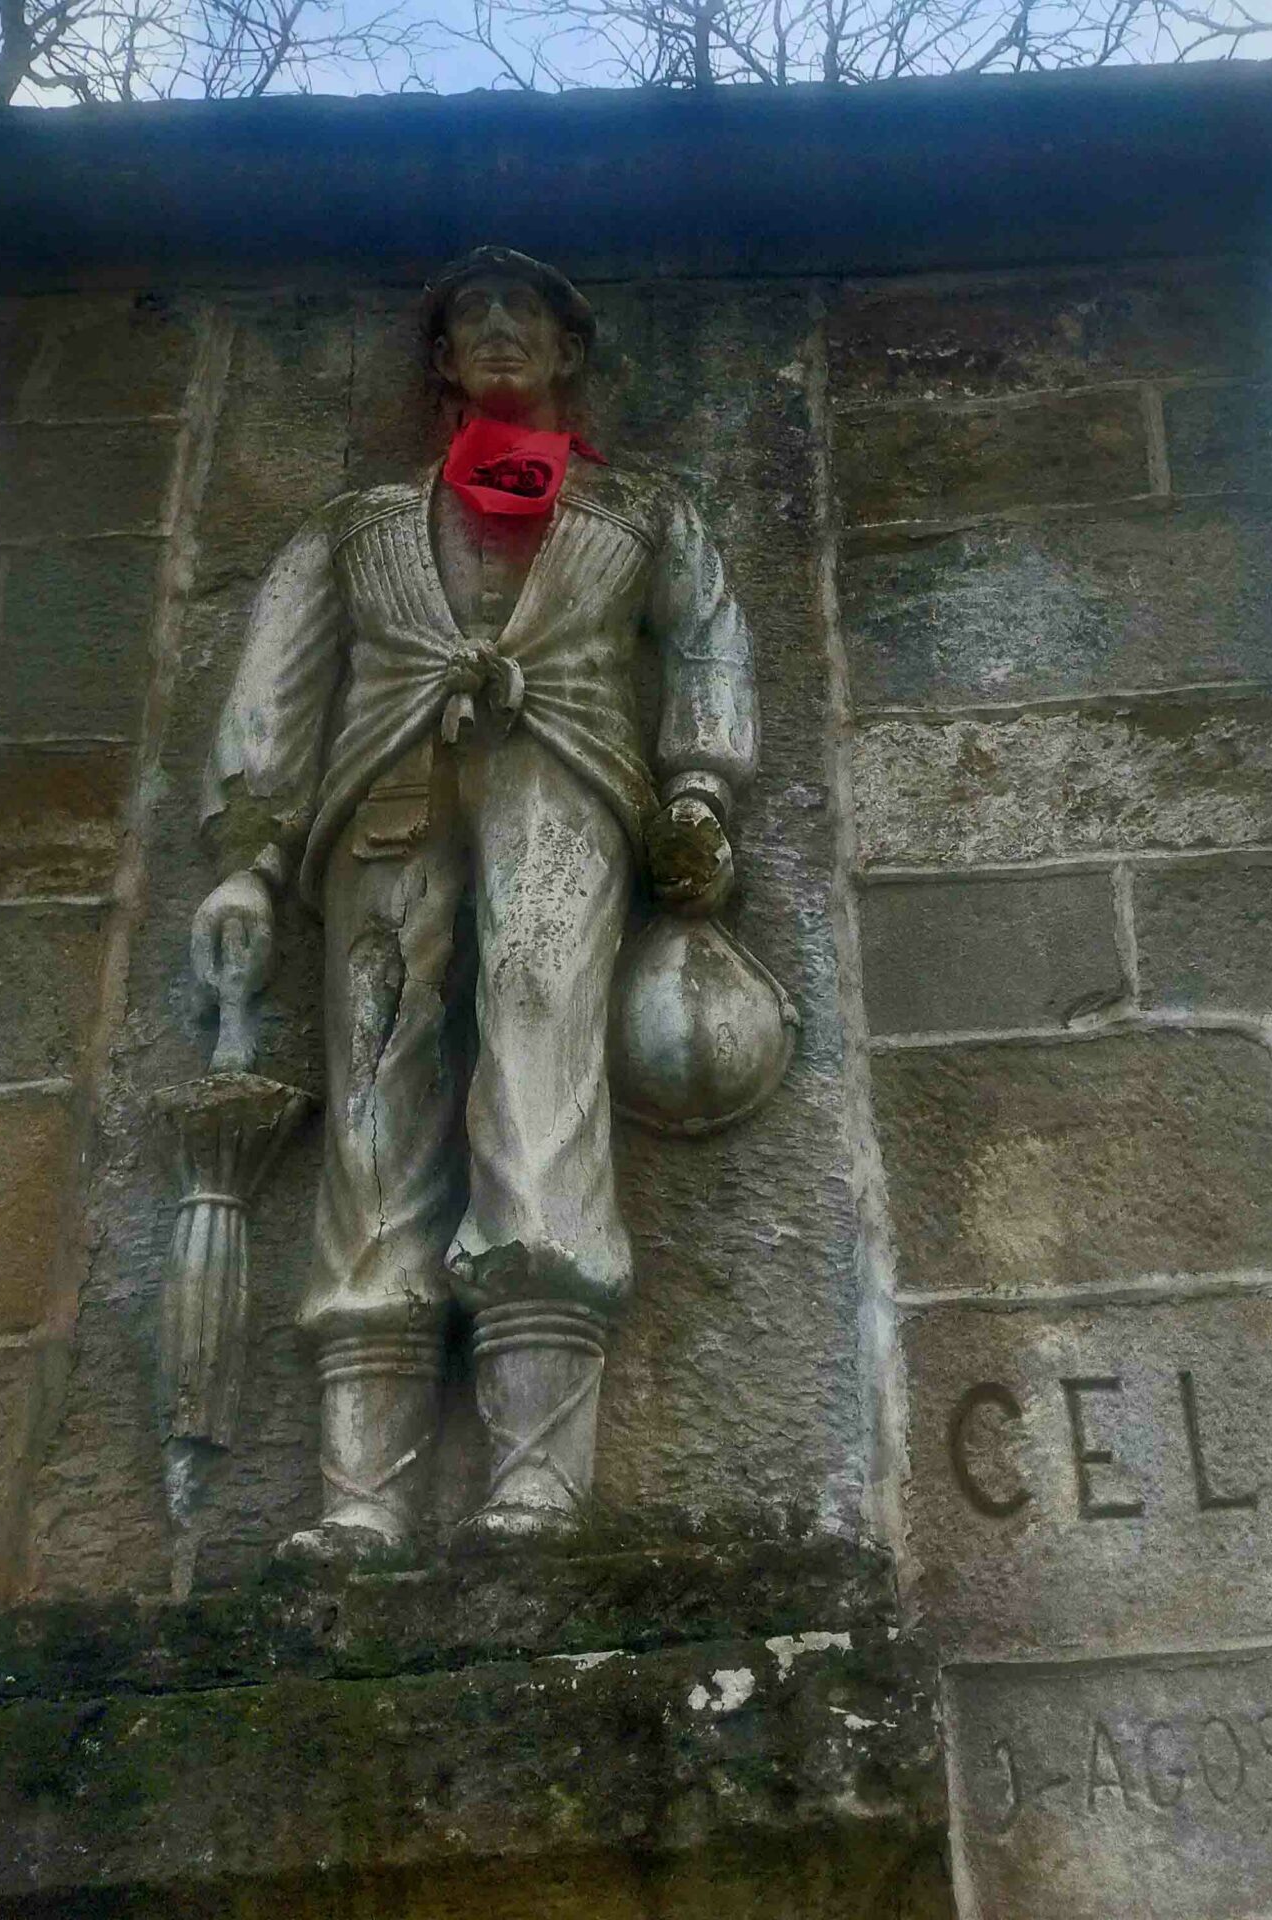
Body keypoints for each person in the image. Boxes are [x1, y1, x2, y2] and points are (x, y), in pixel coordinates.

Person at [189, 246, 757, 1559]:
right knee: (375, 1105)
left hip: (565, 787)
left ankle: (537, 1479)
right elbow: (277, 687)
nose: (500, 328)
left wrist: (700, 791)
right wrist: (247, 858)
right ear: (443, 357)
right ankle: (363, 1499)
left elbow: (710, 642)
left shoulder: (642, 514)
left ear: (568, 347)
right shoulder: (361, 527)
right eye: (472, 315)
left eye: (526, 311)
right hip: (387, 800)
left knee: (540, 1066)